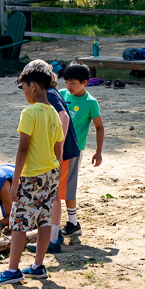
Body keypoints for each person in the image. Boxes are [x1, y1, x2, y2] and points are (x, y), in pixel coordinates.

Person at [0, 60, 64, 286]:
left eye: (23, 88)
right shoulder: (53, 113)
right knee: (44, 219)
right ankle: (38, 265)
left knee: (19, 222)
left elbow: (23, 148)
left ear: (32, 86)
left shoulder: (29, 112)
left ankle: (13, 270)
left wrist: (17, 179)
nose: (24, 94)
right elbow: (58, 148)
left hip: (32, 176)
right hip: (51, 173)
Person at [25, 68, 81, 255]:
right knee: (57, 194)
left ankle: (53, 240)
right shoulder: (52, 92)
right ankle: (55, 234)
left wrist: (60, 145)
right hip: (68, 151)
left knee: (55, 195)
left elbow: (63, 116)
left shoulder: (49, 93)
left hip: (66, 152)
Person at [58, 61, 105, 238]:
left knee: (69, 186)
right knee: (55, 186)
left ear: (85, 82)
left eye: (73, 83)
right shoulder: (61, 95)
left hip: (73, 150)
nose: (69, 86)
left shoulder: (90, 102)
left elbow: (99, 127)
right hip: (56, 147)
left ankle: (72, 222)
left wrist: (98, 151)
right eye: (67, 82)